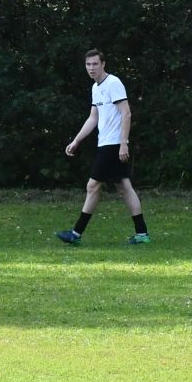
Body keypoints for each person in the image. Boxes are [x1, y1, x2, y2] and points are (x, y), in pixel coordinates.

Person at [56, 49, 150, 244]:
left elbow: (126, 113)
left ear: (103, 64)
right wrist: (76, 141)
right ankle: (142, 234)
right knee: (125, 187)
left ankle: (75, 234)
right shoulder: (96, 88)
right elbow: (93, 117)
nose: (91, 68)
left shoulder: (113, 83)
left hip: (113, 145)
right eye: (88, 65)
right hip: (106, 143)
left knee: (92, 186)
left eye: (95, 64)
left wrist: (123, 144)